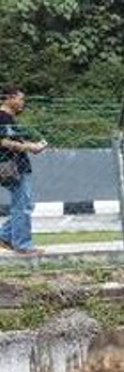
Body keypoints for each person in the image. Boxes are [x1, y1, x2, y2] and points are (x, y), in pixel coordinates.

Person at [0, 87, 46, 256]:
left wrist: (33, 145)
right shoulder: (2, 117)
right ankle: (23, 245)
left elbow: (13, 139)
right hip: (12, 166)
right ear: (9, 98)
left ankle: (4, 237)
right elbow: (3, 141)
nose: (22, 103)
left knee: (23, 204)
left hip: (15, 165)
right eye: (20, 99)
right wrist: (29, 147)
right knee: (22, 206)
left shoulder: (9, 118)